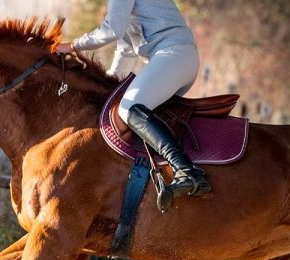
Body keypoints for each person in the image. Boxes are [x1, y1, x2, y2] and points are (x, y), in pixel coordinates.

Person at [57, 0, 211, 197]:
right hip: (180, 58)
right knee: (139, 116)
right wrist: (111, 79)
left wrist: (71, 46)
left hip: (173, 56)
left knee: (130, 107)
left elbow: (111, 30)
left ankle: (186, 171)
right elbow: (127, 46)